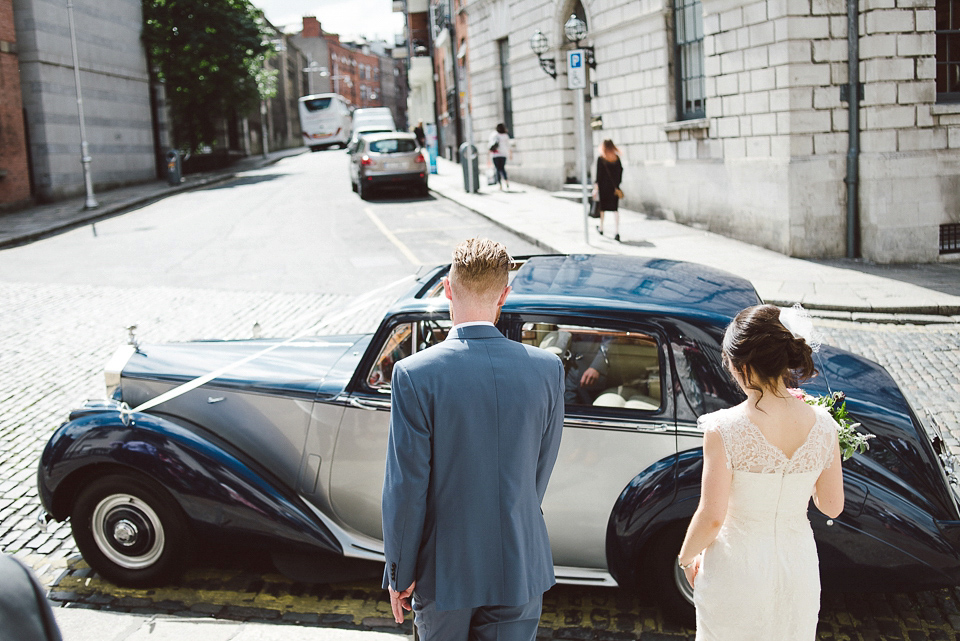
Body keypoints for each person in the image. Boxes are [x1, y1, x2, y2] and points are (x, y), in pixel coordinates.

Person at [381, 238, 565, 641]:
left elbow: (406, 488)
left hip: (444, 571)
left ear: (447, 288)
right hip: (519, 562)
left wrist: (399, 572)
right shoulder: (547, 369)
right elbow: (539, 471)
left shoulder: (414, 375)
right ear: (505, 295)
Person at [677, 304, 844, 640]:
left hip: (737, 569)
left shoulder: (723, 429)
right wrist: (802, 474)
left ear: (742, 366)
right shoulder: (825, 426)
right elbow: (832, 506)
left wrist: (686, 558)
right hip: (796, 569)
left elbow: (712, 515)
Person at [593, 139, 623, 241]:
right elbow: (620, 172)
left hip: (603, 188)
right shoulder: (616, 158)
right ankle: (617, 232)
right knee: (615, 210)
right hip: (614, 189)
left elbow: (598, 175)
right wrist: (617, 185)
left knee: (602, 209)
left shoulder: (601, 159)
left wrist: (596, 188)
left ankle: (601, 228)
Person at [489, 123, 512, 190]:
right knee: (502, 168)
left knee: (497, 169)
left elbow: (490, 145)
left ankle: (500, 185)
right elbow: (508, 146)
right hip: (503, 154)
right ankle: (506, 181)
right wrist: (510, 154)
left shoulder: (494, 135)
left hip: (496, 155)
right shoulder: (505, 135)